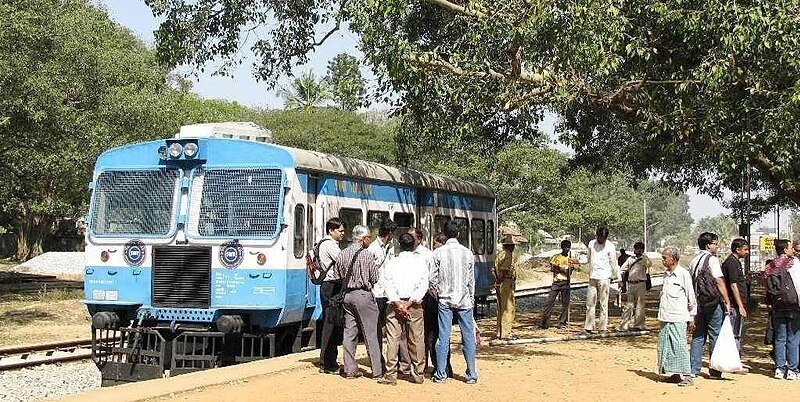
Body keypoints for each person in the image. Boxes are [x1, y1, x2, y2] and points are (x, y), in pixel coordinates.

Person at [431, 220, 478, 384]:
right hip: (465, 301)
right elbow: (471, 281)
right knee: (468, 337)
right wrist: (470, 299)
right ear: (458, 234)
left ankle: (441, 374)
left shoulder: (438, 253)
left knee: (443, 337)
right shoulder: (468, 253)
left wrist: (439, 293)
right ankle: (471, 374)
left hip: (445, 301)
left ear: (444, 234)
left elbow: (432, 279)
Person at [379, 233, 429, 385]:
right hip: (414, 306)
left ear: (399, 245)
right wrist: (410, 302)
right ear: (414, 244)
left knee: (392, 340)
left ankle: (391, 374)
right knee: (416, 339)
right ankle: (418, 374)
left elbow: (387, 284)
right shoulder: (420, 262)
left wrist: (397, 302)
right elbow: (423, 284)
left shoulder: (392, 262)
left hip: (394, 306)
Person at [334, 225, 382, 379]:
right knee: (371, 334)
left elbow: (338, 275)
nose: (370, 240)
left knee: (349, 333)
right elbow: (375, 278)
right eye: (369, 238)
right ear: (363, 239)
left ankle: (349, 369)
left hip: (347, 296)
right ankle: (377, 370)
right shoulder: (367, 255)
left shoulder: (342, 253)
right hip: (363, 296)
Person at [689, 232, 732, 380]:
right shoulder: (712, 260)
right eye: (715, 243)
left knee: (698, 336)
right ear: (708, 245)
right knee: (715, 334)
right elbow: (719, 281)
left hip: (698, 303)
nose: (717, 246)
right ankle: (715, 371)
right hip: (712, 303)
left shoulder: (693, 260)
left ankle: (693, 369)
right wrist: (727, 300)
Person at [657, 246, 697, 387]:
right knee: (666, 346)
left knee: (679, 346)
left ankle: (687, 376)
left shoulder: (683, 274)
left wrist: (692, 317)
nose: (663, 260)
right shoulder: (666, 275)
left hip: (678, 317)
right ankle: (674, 373)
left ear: (673, 259)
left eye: (665, 258)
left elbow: (691, 298)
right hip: (665, 316)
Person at [368, 218, 401, 371]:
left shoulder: (391, 246)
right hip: (376, 292)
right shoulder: (373, 249)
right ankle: (378, 360)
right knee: (375, 328)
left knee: (390, 327)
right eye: (392, 234)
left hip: (388, 292)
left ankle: (392, 359)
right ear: (388, 233)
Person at [766, 239, 800, 380]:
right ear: (785, 250)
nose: (793, 250)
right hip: (793, 306)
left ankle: (779, 369)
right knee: (793, 338)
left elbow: (767, 288)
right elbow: (798, 286)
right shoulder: (794, 264)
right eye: (791, 247)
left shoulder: (770, 265)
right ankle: (792, 369)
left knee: (780, 338)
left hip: (777, 307)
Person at [317, 217, 346, 374]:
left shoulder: (324, 243)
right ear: (331, 230)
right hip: (332, 287)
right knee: (331, 324)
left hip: (328, 286)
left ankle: (328, 361)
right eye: (340, 231)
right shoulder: (330, 246)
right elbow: (344, 261)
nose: (342, 234)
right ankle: (328, 363)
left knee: (332, 323)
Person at [425, 232, 454, 377]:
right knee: (444, 335)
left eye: (434, 243)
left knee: (432, 336)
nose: (433, 246)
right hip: (449, 300)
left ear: (439, 243)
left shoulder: (435, 255)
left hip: (435, 301)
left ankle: (438, 367)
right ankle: (446, 367)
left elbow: (431, 279)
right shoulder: (455, 255)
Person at [584, 226, 620, 334]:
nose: (601, 240)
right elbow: (588, 259)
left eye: (603, 238)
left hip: (604, 277)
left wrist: (616, 276)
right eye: (599, 237)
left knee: (603, 304)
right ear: (596, 235)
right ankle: (589, 327)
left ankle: (602, 328)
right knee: (590, 303)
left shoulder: (610, 246)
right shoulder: (591, 244)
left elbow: (613, 263)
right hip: (593, 276)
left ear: (606, 237)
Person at [721, 238, 749, 355]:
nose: (747, 252)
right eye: (745, 249)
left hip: (737, 304)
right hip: (734, 305)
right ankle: (733, 359)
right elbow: (733, 285)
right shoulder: (731, 263)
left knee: (737, 332)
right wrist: (740, 305)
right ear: (737, 250)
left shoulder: (736, 262)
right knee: (734, 333)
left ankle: (736, 358)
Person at [541, 239, 575, 329]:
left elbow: (569, 272)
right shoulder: (556, 257)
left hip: (566, 283)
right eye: (565, 247)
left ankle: (562, 322)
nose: (567, 249)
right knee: (549, 302)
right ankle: (544, 322)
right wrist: (563, 269)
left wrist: (560, 268)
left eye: (568, 247)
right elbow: (553, 268)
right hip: (556, 282)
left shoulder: (570, 259)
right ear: (562, 247)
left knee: (565, 303)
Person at [618, 242, 652, 331]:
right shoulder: (630, 259)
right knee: (629, 305)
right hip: (631, 284)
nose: (639, 250)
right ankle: (624, 325)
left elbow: (649, 264)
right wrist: (621, 281)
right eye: (637, 249)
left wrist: (643, 256)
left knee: (640, 305)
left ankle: (639, 325)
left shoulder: (644, 259)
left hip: (641, 284)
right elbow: (622, 268)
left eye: (641, 249)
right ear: (634, 249)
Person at [494, 236, 517, 339]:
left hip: (501, 283)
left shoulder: (500, 255)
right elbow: (504, 270)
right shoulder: (508, 255)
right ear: (510, 246)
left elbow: (494, 269)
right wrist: (500, 280)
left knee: (501, 308)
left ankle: (500, 331)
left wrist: (497, 282)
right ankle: (506, 333)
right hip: (506, 282)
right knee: (508, 309)